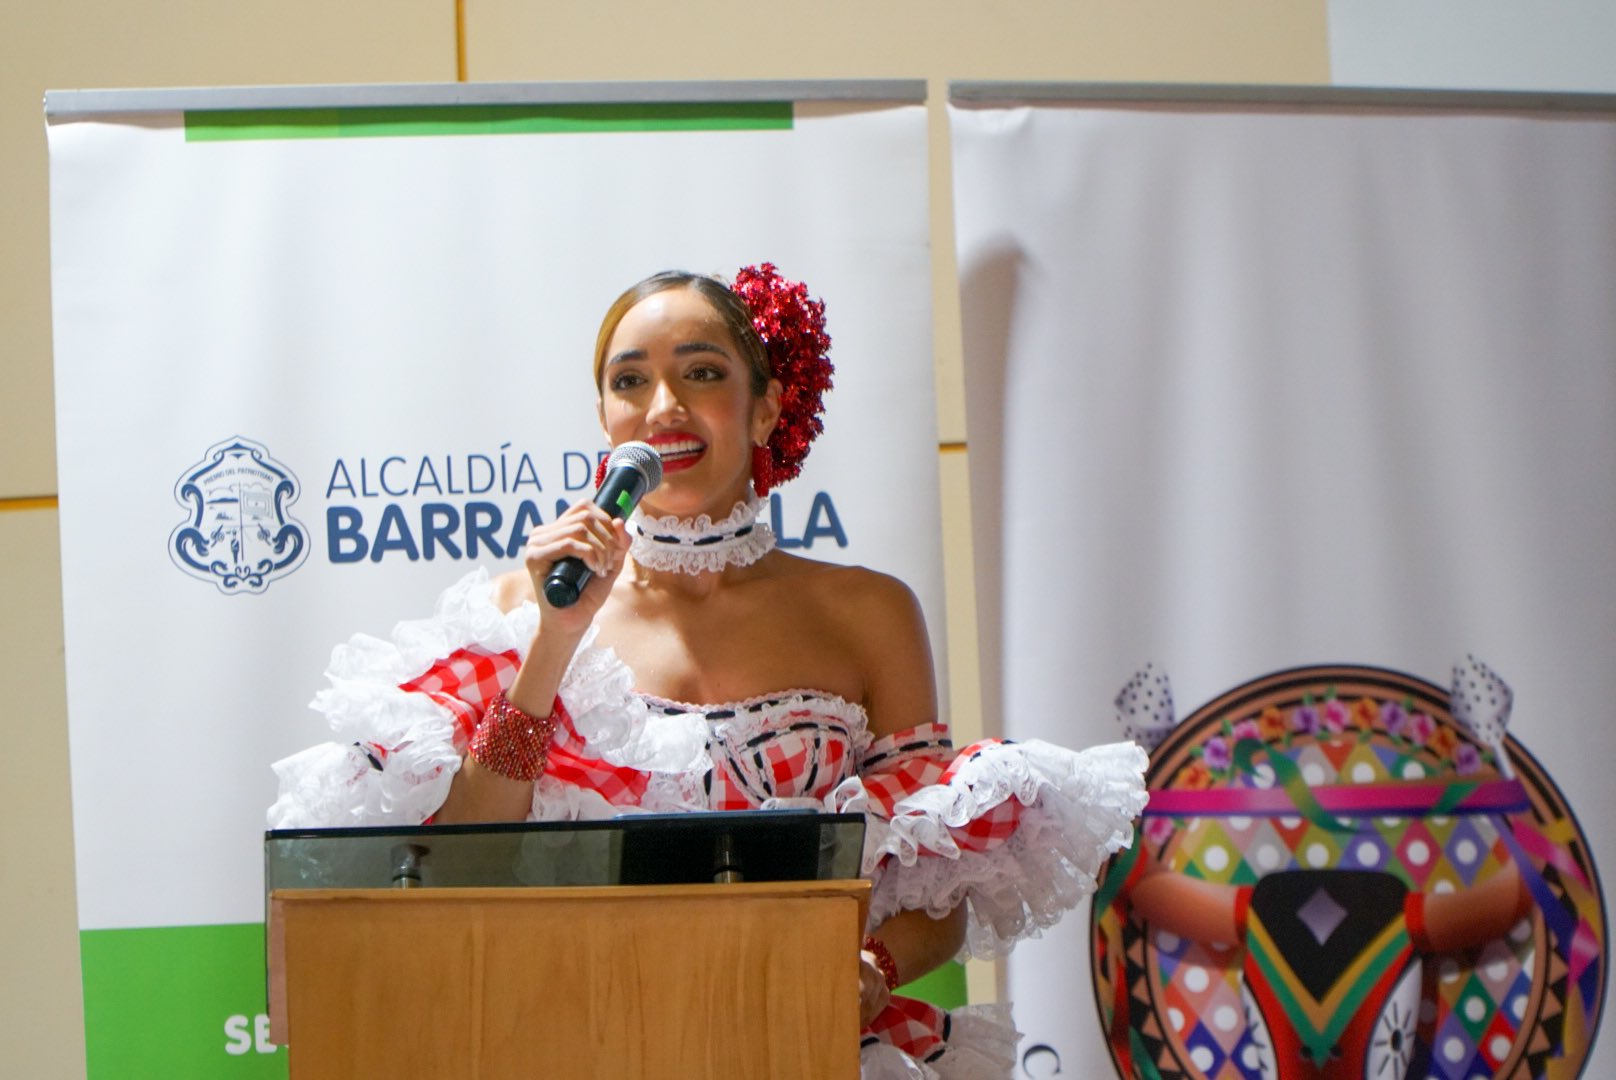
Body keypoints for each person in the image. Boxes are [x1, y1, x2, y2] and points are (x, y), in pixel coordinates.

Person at [269, 264, 1149, 1079]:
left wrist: (871, 971)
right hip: (571, 1038)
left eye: (700, 372)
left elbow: (936, 886)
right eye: (629, 380)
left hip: (800, 1045)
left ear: (764, 409)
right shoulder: (522, 606)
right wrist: (554, 640)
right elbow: (461, 851)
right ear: (606, 422)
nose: (662, 407)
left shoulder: (869, 612)